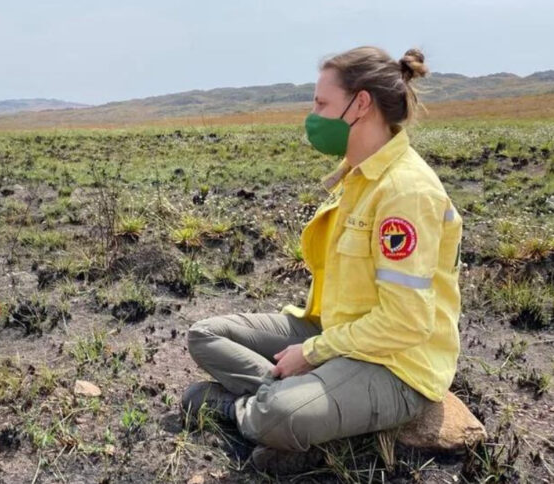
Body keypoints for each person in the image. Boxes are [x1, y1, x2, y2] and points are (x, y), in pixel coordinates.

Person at [182, 47, 462, 475]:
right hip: (335, 328)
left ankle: (256, 408)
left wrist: (312, 353)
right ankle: (284, 396)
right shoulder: (359, 174)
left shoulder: (406, 192)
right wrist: (315, 349)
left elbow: (406, 322)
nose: (312, 116)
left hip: (395, 364)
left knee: (279, 417)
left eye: (321, 104)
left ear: (361, 104)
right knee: (204, 335)